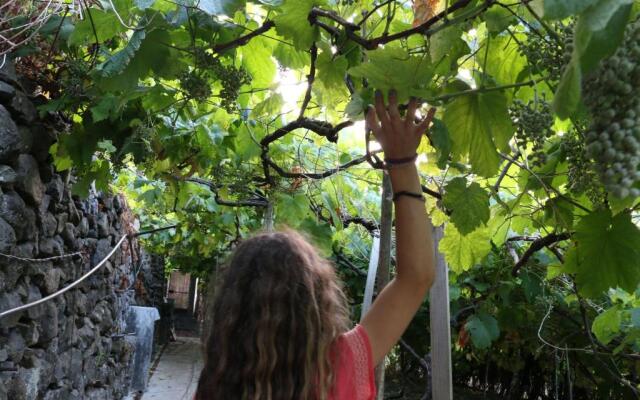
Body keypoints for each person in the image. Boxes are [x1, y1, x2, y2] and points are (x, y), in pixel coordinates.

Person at [195, 91, 436, 400]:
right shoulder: (344, 363)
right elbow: (416, 278)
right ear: (317, 303)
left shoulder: (215, 385)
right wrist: (402, 160)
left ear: (232, 310)